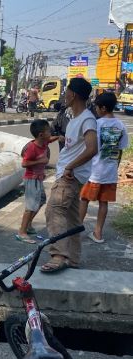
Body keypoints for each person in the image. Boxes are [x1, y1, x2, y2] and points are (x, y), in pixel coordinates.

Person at [41, 78, 98, 274]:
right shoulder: (76, 118)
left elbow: (92, 148)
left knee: (54, 210)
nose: (64, 94)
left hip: (69, 176)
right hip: (72, 175)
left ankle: (59, 256)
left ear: (73, 94)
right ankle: (73, 258)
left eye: (67, 91)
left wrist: (70, 167)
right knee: (73, 219)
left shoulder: (87, 119)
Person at [79, 92, 129, 243]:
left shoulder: (96, 125)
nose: (95, 109)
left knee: (84, 199)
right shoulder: (121, 126)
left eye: (97, 107)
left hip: (93, 171)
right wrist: (115, 167)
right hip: (110, 172)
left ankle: (75, 230)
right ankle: (98, 233)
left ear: (104, 108)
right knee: (103, 202)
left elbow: (88, 148)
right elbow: (120, 150)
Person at [16, 120, 58, 244]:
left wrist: (59, 138)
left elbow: (50, 139)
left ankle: (28, 225)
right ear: (41, 135)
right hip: (31, 179)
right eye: (48, 131)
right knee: (30, 206)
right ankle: (22, 232)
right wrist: (40, 161)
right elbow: (24, 163)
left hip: (38, 179)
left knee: (41, 200)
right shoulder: (32, 148)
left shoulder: (44, 142)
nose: (50, 133)